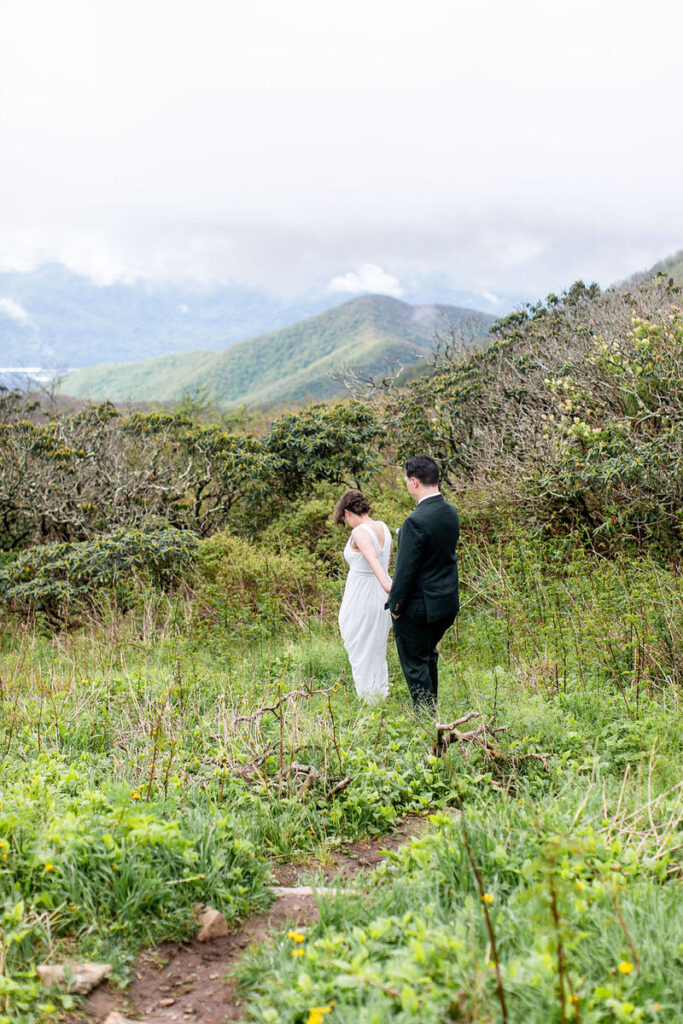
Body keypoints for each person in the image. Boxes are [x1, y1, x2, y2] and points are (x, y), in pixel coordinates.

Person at [386, 455, 459, 710]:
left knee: (415, 662)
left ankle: (427, 719)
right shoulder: (450, 512)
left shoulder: (415, 521)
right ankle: (434, 712)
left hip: (419, 608)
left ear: (414, 481)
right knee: (428, 656)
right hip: (446, 604)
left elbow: (405, 572)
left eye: (407, 481)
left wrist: (395, 608)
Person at [334, 489, 392, 701]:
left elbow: (374, 560)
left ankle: (369, 702)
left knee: (359, 648)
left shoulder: (359, 531)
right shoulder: (383, 528)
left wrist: (387, 585)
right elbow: (384, 562)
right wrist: (387, 586)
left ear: (348, 512)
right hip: (378, 596)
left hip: (364, 596)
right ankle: (379, 698)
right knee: (375, 649)